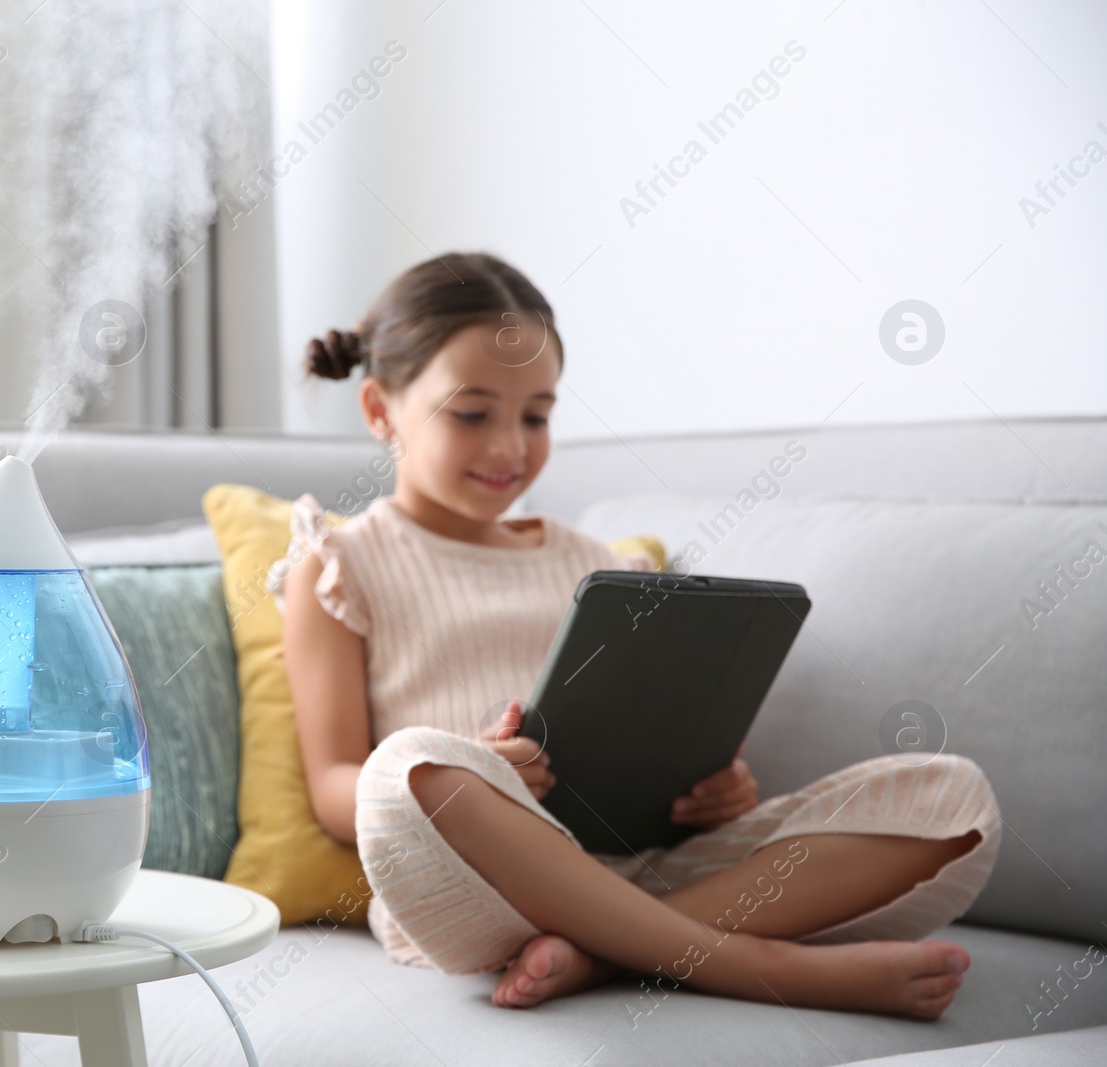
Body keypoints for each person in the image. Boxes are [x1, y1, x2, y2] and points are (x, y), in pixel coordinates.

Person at [268, 252, 1000, 1018]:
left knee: (956, 800)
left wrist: (714, 791)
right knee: (405, 770)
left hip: (646, 867)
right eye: (472, 412)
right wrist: (476, 766)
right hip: (476, 883)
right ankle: (754, 963)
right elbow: (333, 788)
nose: (510, 448)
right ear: (381, 410)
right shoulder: (339, 564)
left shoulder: (598, 564)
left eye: (537, 415)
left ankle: (599, 955)